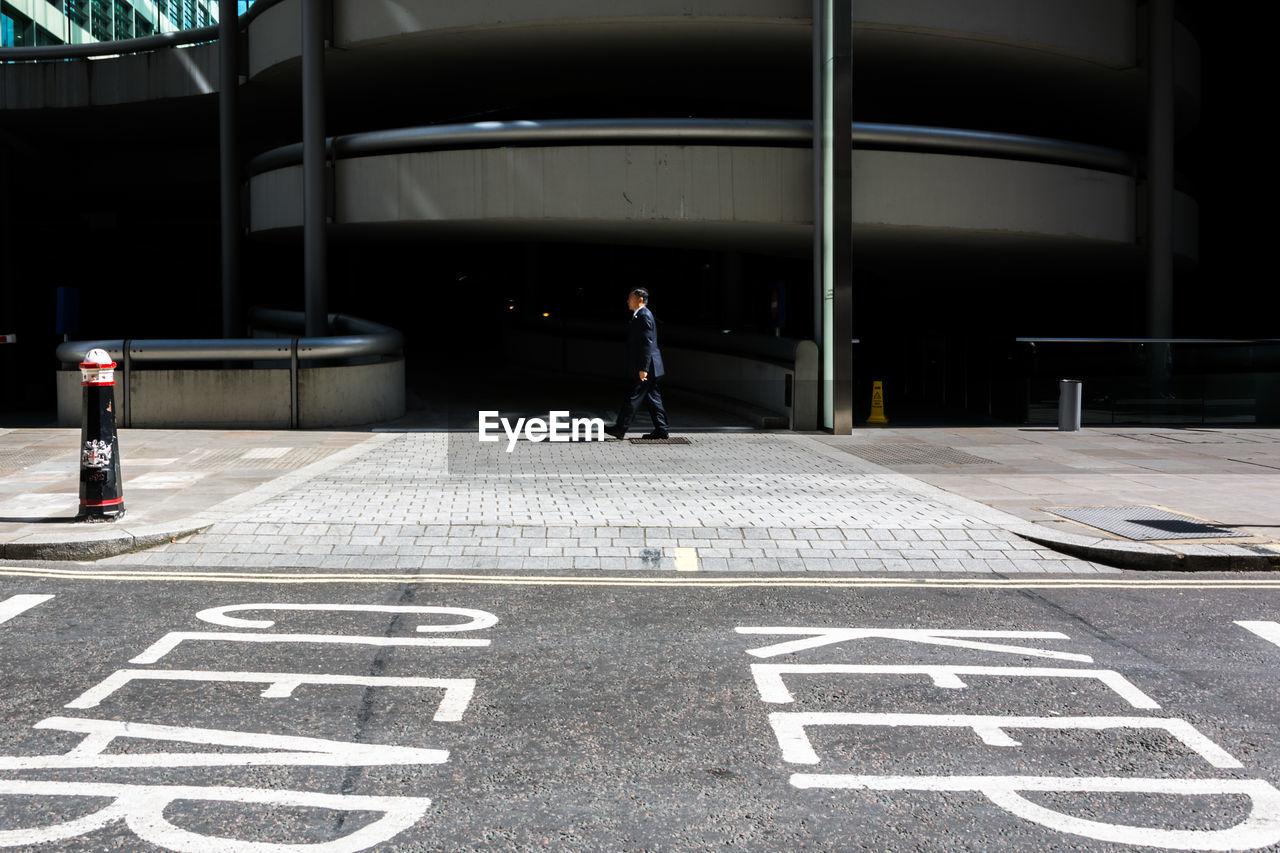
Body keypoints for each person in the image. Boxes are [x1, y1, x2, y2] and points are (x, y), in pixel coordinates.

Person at [604, 287, 670, 440]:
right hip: (651, 366)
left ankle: (620, 428)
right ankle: (661, 429)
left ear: (640, 299)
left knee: (634, 397)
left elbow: (647, 344)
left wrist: (643, 368)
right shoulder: (640, 315)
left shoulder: (643, 316)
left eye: (630, 297)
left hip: (648, 367)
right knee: (653, 398)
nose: (628, 300)